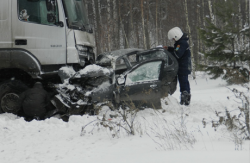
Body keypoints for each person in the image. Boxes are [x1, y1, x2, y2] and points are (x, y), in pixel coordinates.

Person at [165, 27, 191, 105]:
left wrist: (168, 54)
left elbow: (177, 54)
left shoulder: (182, 43)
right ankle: (185, 98)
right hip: (183, 66)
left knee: (184, 83)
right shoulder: (181, 42)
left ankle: (185, 98)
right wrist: (169, 49)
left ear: (176, 36)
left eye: (173, 38)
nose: (173, 40)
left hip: (183, 67)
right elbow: (176, 50)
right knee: (184, 82)